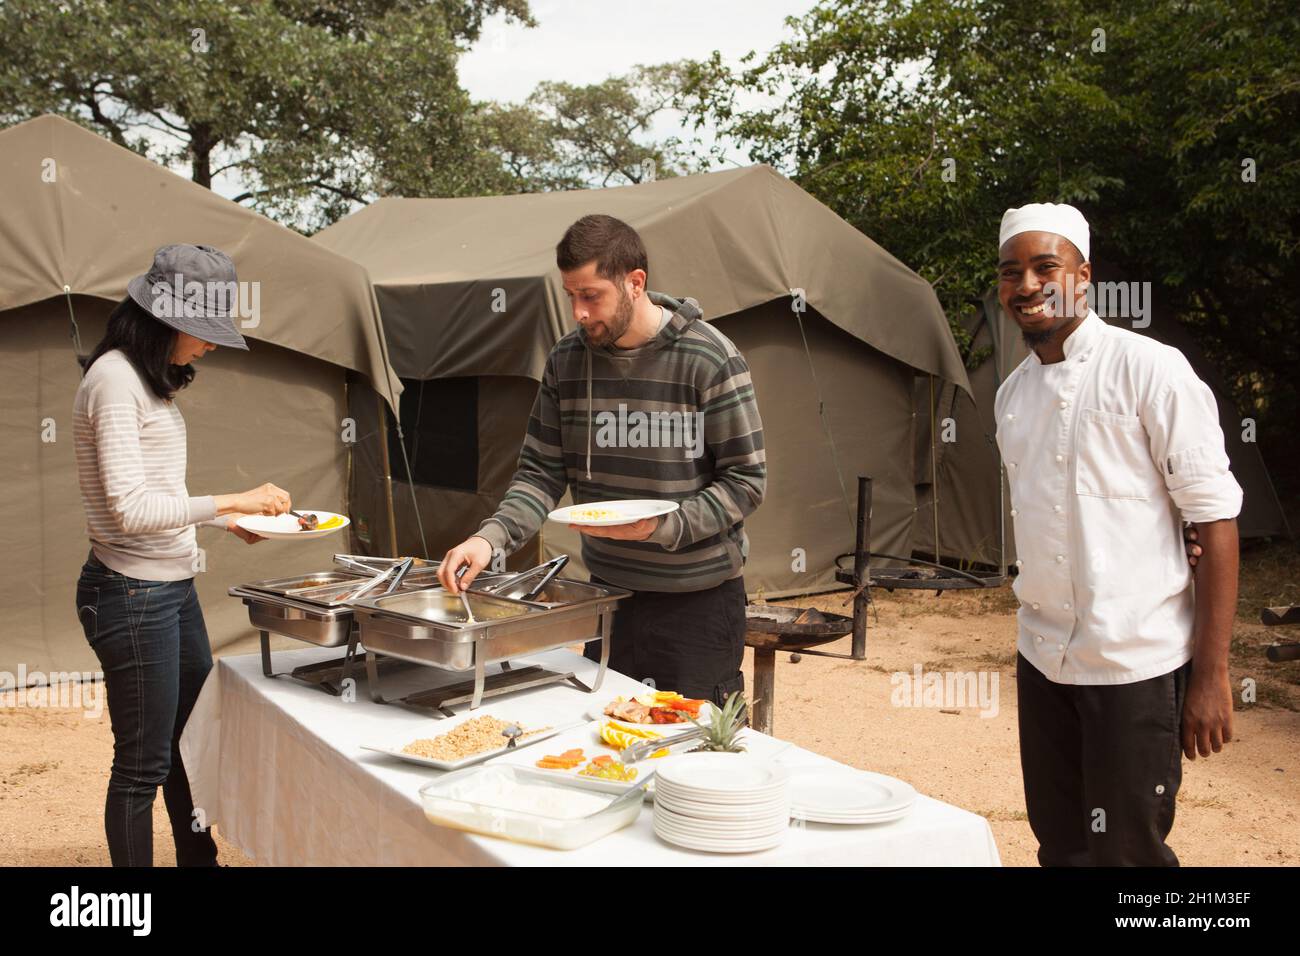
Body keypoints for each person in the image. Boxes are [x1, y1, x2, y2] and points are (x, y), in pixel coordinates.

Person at [994, 203, 1241, 866]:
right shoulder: (1012, 395)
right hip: (1044, 659)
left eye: (1046, 266)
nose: (1027, 285)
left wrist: (1212, 676)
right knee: (1062, 849)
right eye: (1011, 271)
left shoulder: (1150, 370)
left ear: (1084, 275)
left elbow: (1214, 519)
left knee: (1127, 856)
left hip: (1135, 663)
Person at [438, 215, 766, 704]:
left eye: (590, 295)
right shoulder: (566, 362)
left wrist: (662, 526)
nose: (578, 311)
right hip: (609, 599)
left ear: (635, 283)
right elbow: (540, 473)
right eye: (571, 295)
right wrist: (490, 539)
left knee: (695, 756)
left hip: (698, 604)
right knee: (609, 748)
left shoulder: (710, 359)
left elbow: (745, 481)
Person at [73, 244, 295, 866]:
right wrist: (233, 497)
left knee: (189, 744)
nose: (211, 345)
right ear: (166, 320)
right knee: (143, 763)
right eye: (203, 331)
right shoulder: (114, 380)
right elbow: (129, 511)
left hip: (168, 588)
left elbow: (159, 499)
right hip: (129, 594)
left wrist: (229, 520)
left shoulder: (144, 382)